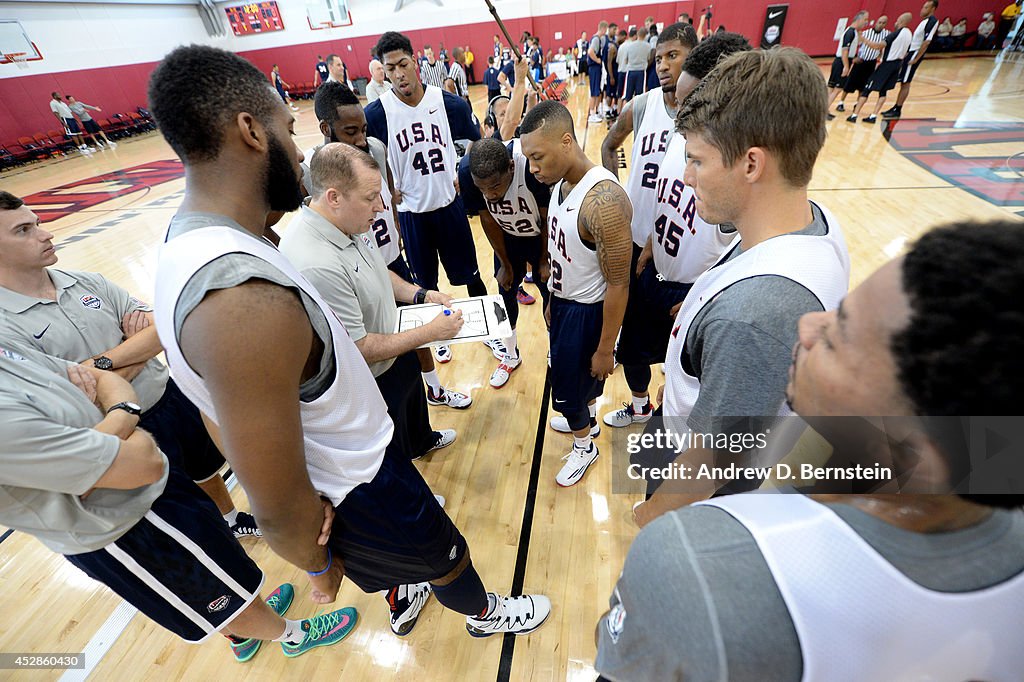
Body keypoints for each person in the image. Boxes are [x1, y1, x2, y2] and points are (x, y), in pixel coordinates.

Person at [149, 44, 551, 642]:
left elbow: (224, 413)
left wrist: (418, 298)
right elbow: (271, 495)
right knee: (445, 552)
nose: (297, 147)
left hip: (356, 464)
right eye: (288, 129)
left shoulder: (202, 245)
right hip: (356, 480)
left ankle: (407, 581)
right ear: (251, 131)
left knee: (416, 552)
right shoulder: (236, 294)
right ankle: (483, 614)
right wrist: (318, 565)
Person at [596, 220, 1024, 681]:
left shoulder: (697, 563)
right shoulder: (990, 447)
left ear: (918, 446)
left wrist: (660, 518)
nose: (806, 323)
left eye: (837, 337)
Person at [0, 344, 358, 662]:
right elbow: (142, 460)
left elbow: (97, 377)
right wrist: (124, 411)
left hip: (148, 497)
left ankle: (247, 619)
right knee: (210, 595)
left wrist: (107, 422)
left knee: (223, 573)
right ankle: (289, 635)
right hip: (121, 530)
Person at [632, 48, 850, 521]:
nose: (686, 178)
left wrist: (650, 518)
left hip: (704, 484)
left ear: (752, 164)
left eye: (698, 161)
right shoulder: (813, 221)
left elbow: (708, 463)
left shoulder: (752, 315)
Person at [0, 191, 261, 540]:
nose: (45, 234)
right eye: (23, 231)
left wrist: (100, 365)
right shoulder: (5, 327)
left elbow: (164, 328)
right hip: (122, 429)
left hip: (168, 399)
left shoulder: (88, 281)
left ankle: (229, 520)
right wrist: (135, 348)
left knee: (205, 469)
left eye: (38, 223)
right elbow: (71, 395)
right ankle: (214, 543)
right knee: (174, 505)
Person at [281, 143, 463, 474]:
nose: (381, 206)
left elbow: (377, 271)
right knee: (392, 454)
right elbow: (359, 347)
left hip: (394, 348)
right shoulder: (317, 263)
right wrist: (431, 332)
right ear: (334, 197)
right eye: (370, 197)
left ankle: (422, 441)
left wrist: (421, 294)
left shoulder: (346, 222)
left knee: (412, 415)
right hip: (373, 375)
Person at [603, 31, 747, 431]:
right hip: (656, 264)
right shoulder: (683, 135)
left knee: (682, 381)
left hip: (691, 292)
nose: (678, 113)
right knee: (632, 352)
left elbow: (754, 249)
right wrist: (651, 242)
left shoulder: (738, 169)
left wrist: (706, 295)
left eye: (688, 103)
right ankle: (639, 408)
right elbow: (667, 195)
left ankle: (671, 434)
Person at [310, 82, 472, 411]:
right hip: (360, 269)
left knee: (413, 330)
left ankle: (434, 390)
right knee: (388, 348)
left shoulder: (375, 149)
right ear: (327, 129)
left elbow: (387, 192)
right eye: (350, 131)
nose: (360, 139)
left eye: (363, 130)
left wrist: (396, 224)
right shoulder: (317, 173)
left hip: (388, 256)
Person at [366, 32, 500, 367]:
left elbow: (479, 143)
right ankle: (435, 337)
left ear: (416, 62)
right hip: (412, 214)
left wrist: (463, 171)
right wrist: (387, 184)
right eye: (389, 68)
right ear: (382, 72)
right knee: (424, 285)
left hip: (448, 206)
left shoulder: (448, 103)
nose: (398, 73)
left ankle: (490, 333)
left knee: (471, 276)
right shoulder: (377, 114)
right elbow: (363, 153)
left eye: (403, 64)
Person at [519, 101, 633, 487]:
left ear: (566, 142)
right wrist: (551, 295)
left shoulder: (605, 203)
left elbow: (619, 284)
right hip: (564, 303)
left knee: (569, 385)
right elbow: (559, 245)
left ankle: (585, 445)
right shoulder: (561, 183)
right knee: (571, 384)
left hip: (587, 315)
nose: (532, 168)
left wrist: (605, 348)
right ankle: (582, 418)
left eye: (537, 157)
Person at [598, 23, 699, 428]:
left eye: (673, 55)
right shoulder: (641, 107)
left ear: (695, 57)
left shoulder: (708, 119)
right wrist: (615, 193)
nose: (663, 65)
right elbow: (608, 145)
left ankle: (675, 413)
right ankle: (641, 407)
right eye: (659, 58)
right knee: (635, 348)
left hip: (684, 256)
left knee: (682, 355)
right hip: (637, 244)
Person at [460, 137, 551, 388]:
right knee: (504, 296)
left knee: (552, 297)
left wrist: (543, 260)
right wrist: (505, 263)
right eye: (483, 189)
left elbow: (547, 216)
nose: (490, 194)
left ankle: (554, 350)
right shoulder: (468, 172)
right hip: (507, 238)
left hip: (539, 236)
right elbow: (487, 219)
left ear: (511, 167)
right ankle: (511, 355)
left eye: (495, 186)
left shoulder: (531, 167)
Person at [847, 13, 913, 124]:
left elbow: (877, 46)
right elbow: (907, 52)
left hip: (887, 64)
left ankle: (854, 115)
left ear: (901, 21)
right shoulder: (909, 34)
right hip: (897, 65)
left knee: (867, 89)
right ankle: (873, 116)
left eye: (897, 20)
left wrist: (863, 39)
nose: (895, 23)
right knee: (883, 91)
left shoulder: (894, 34)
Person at [883, 0, 939, 120]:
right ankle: (896, 107)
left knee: (906, 82)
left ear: (933, 8)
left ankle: (898, 109)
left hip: (914, 54)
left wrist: (916, 58)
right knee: (903, 81)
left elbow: (926, 42)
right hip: (911, 52)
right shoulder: (924, 21)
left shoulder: (932, 21)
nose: (922, 9)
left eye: (926, 7)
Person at [834, 16, 889, 115]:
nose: (881, 24)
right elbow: (855, 45)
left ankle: (857, 103)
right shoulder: (865, 33)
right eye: (879, 22)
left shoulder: (886, 34)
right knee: (849, 83)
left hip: (871, 63)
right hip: (861, 61)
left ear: (886, 24)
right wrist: (854, 58)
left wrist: (880, 58)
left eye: (883, 23)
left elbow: (884, 48)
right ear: (876, 22)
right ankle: (841, 102)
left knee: (863, 85)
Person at [826, 11, 869, 117]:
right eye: (865, 20)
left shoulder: (854, 32)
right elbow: (845, 50)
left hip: (841, 61)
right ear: (858, 20)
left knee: (831, 87)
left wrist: (852, 59)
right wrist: (846, 66)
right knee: (837, 88)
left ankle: (823, 110)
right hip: (841, 62)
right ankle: (824, 111)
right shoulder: (850, 32)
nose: (866, 23)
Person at [622, 27, 653, 102]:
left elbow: (625, 60)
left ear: (637, 34)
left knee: (627, 95)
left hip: (630, 71)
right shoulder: (648, 46)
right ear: (645, 36)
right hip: (641, 71)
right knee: (640, 96)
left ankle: (626, 112)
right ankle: (639, 113)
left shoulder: (630, 45)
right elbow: (649, 58)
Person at [587, 22, 609, 122]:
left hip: (596, 69)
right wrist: (597, 60)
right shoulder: (596, 39)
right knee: (594, 91)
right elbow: (590, 52)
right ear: (603, 28)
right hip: (594, 68)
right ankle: (591, 115)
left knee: (597, 91)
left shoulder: (598, 39)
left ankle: (594, 112)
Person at [604, 25, 623, 120]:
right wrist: (611, 76)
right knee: (610, 94)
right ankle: (607, 110)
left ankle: (614, 109)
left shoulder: (618, 46)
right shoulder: (612, 47)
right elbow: (609, 63)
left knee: (616, 94)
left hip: (618, 73)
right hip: (612, 73)